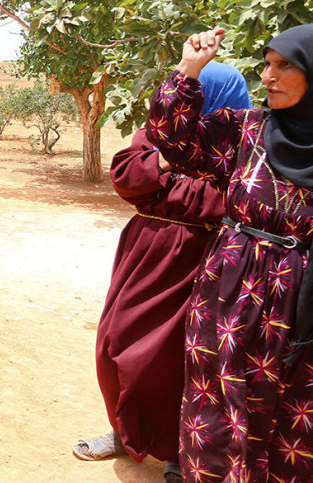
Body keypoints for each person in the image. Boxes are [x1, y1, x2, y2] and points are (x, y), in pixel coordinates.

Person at [145, 25, 313, 480]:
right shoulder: (247, 131)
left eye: (285, 66)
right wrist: (189, 68)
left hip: (300, 305)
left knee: (289, 416)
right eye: (267, 64)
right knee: (217, 406)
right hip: (228, 291)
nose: (269, 76)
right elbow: (170, 137)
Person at [73, 63, 252, 482]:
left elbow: (230, 198)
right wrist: (172, 154)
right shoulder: (160, 130)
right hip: (146, 250)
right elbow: (126, 178)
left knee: (180, 356)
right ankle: (123, 430)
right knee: (115, 343)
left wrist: (164, 175)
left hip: (206, 257)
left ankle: (179, 449)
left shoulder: (244, 142)